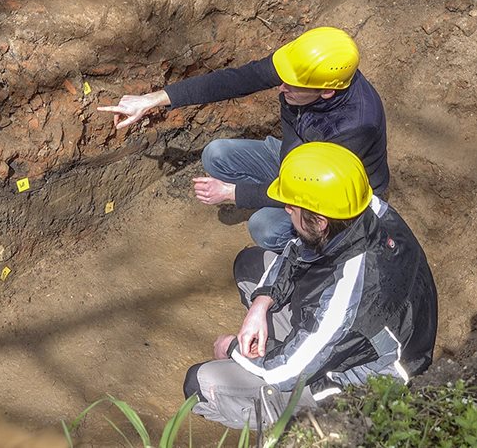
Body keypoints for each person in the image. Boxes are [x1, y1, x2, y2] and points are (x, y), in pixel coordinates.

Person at [181, 142, 437, 430]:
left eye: (293, 207)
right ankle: (294, 339)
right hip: (359, 332)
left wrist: (231, 350)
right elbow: (297, 246)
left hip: (365, 383)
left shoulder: (349, 295)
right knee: (250, 266)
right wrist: (262, 302)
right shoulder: (368, 210)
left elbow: (286, 371)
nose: (286, 208)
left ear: (321, 221)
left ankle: (310, 430)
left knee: (201, 384)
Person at [97, 27, 389, 251]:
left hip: (337, 200)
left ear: (327, 91)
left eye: (292, 86)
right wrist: (153, 99)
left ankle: (319, 260)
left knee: (265, 227)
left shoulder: (353, 126)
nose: (281, 87)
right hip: (296, 159)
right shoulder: (306, 71)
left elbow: (311, 193)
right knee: (217, 154)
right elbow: (236, 80)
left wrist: (232, 194)